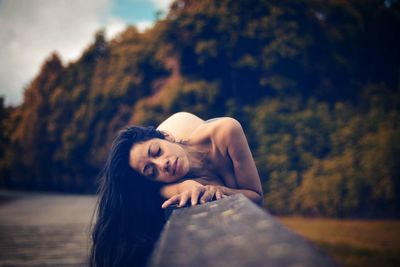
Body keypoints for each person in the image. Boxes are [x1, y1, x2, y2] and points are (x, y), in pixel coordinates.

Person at [90, 112, 263, 267]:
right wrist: (188, 186)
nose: (162, 164)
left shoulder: (225, 131)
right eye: (151, 171)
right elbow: (178, 188)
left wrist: (219, 189)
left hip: (184, 125)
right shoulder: (164, 185)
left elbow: (256, 195)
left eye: (157, 152)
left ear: (167, 137)